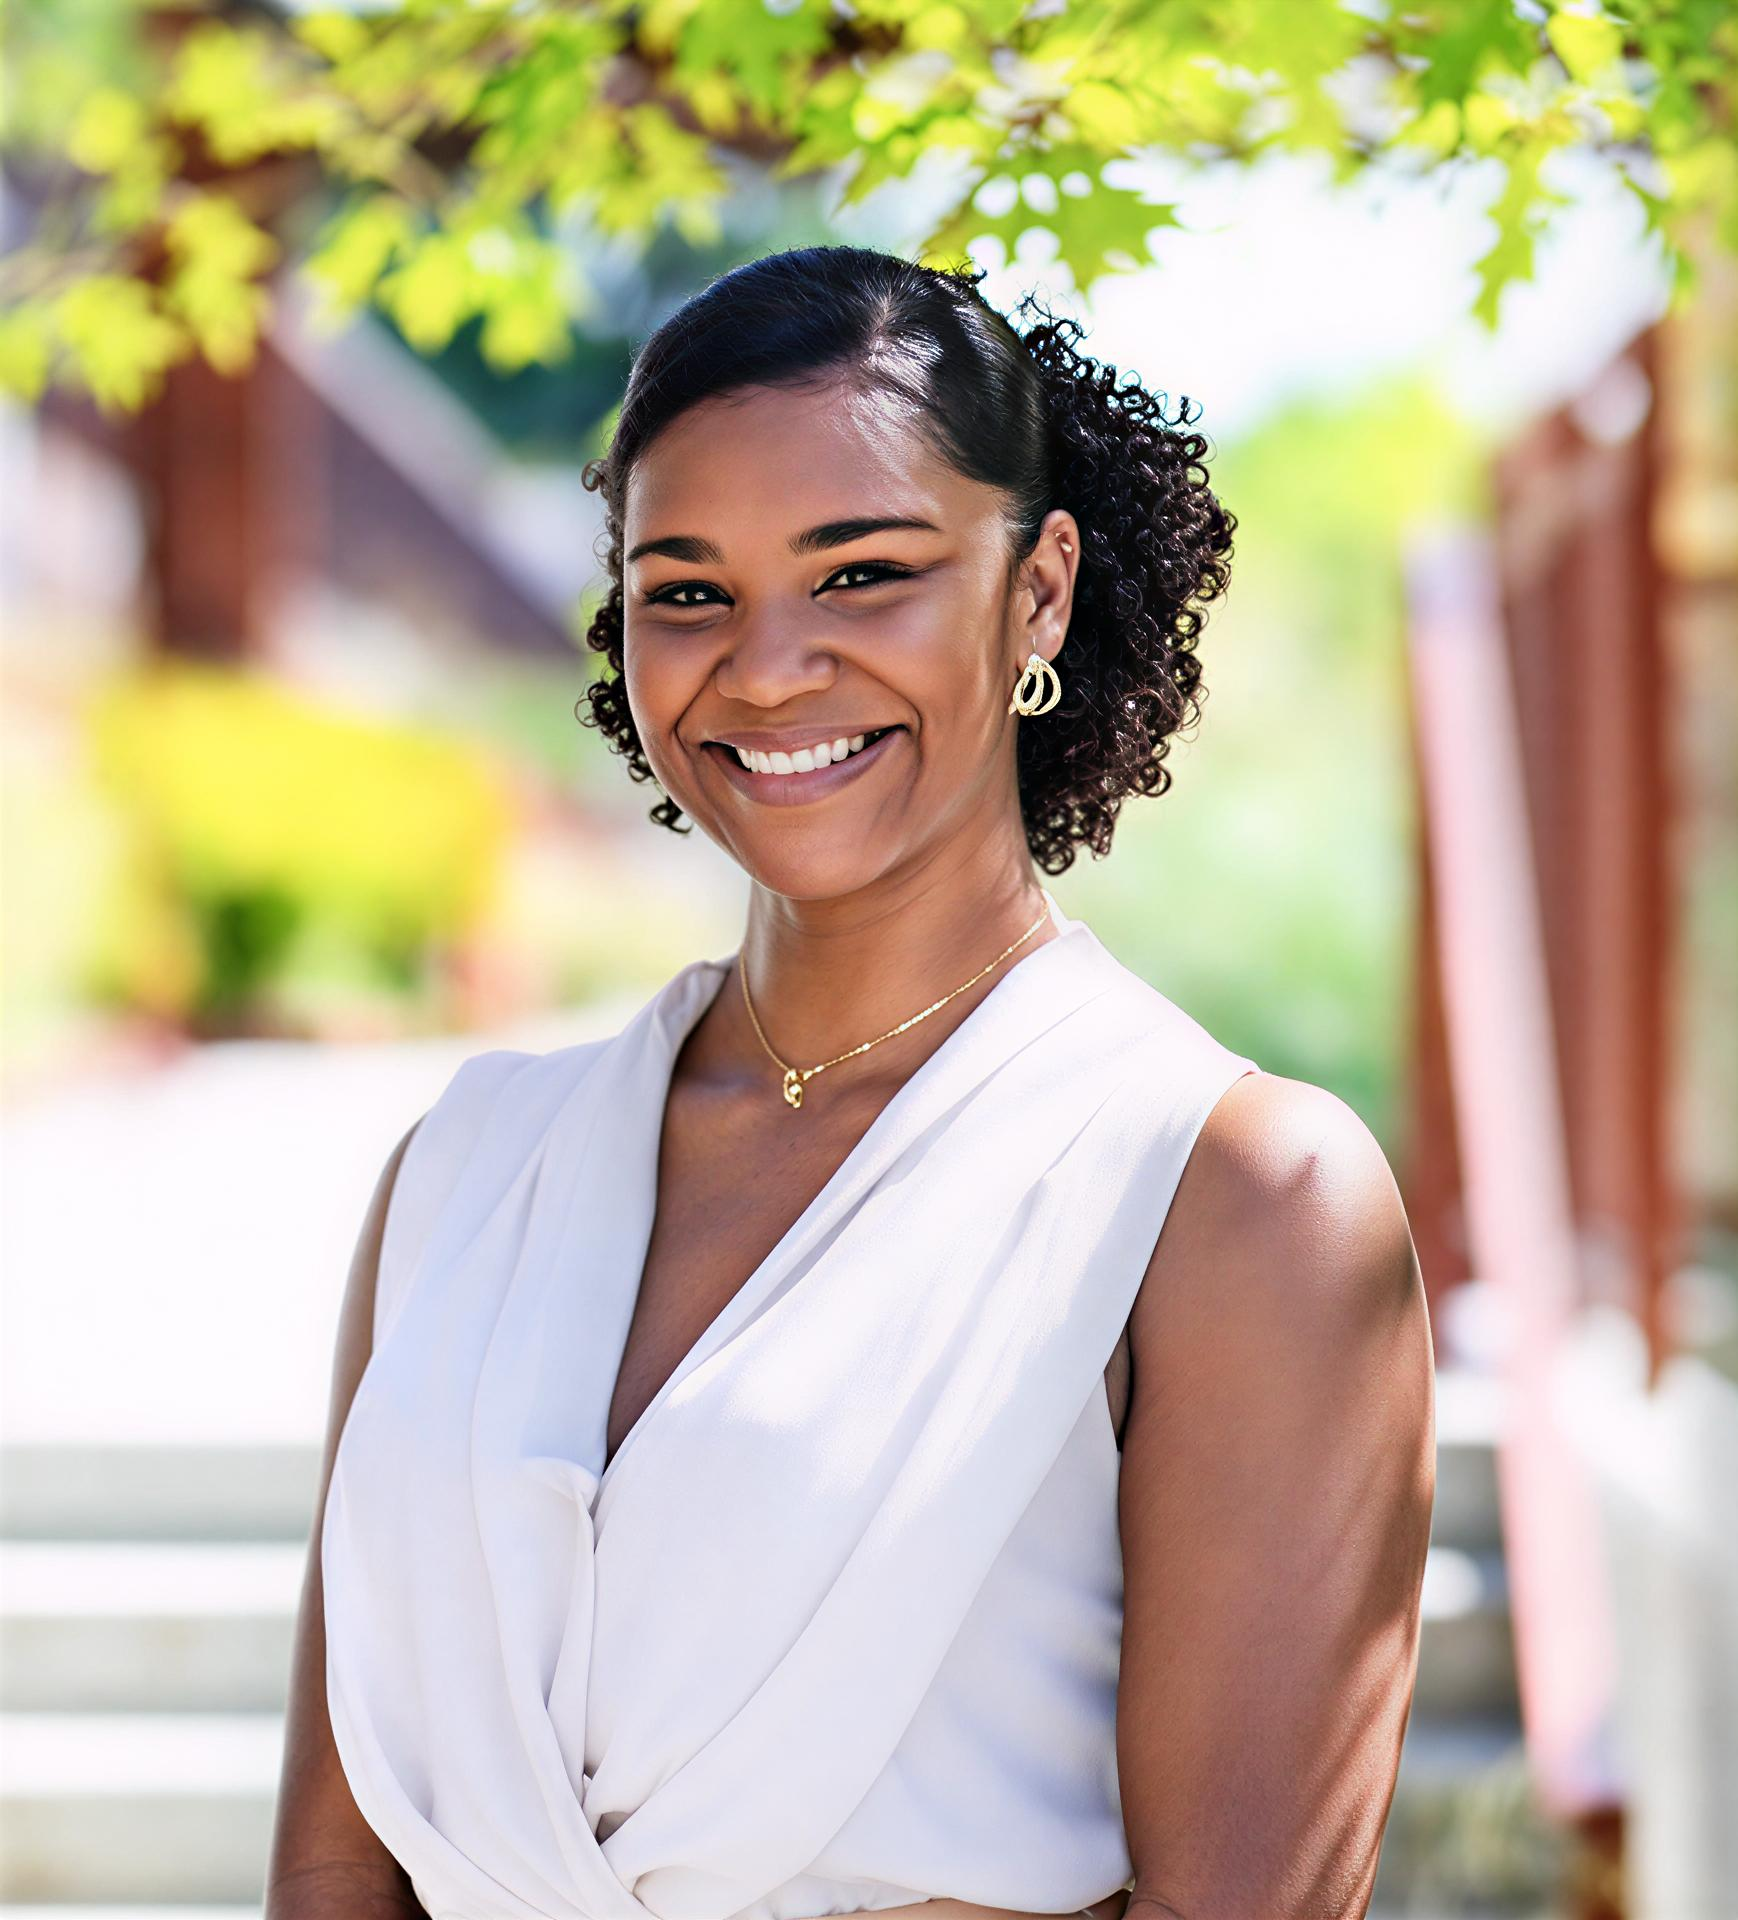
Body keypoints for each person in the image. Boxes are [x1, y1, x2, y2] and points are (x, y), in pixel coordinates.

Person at [268, 246, 1435, 1920]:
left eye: (860, 574)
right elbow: (335, 1854)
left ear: (1036, 591)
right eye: (686, 590)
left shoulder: (1227, 1197)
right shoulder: (466, 1177)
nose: (762, 667)